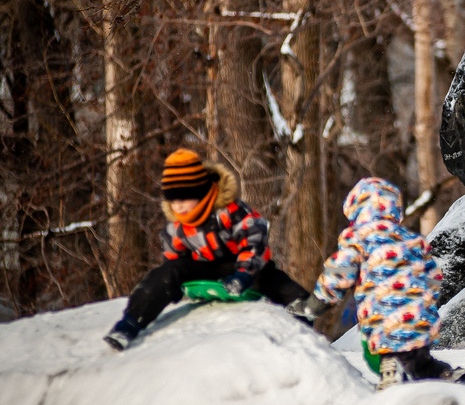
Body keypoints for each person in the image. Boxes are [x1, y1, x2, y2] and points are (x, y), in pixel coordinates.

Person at [288, 177, 465, 391]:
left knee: (382, 352)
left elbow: (340, 271)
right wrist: (422, 301)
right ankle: (447, 376)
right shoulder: (412, 240)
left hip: (382, 319)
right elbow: (433, 277)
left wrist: (318, 302)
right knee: (420, 362)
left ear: (355, 209)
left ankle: (391, 371)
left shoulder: (358, 238)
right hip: (420, 319)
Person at [103, 149, 310, 351]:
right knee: (165, 274)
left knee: (289, 291)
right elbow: (174, 259)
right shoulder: (176, 227)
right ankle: (130, 323)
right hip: (207, 269)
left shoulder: (232, 212)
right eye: (173, 200)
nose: (178, 206)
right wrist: (173, 286)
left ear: (200, 191)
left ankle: (303, 337)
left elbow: (254, 243)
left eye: (184, 197)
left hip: (247, 268)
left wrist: (243, 275)